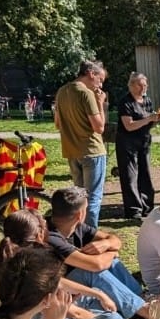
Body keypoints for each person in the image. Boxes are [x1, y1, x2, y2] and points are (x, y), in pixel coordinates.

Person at [0, 208, 125, 319]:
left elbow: (60, 283)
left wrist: (98, 295)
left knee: (91, 296)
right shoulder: (37, 269)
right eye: (45, 225)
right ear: (39, 235)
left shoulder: (14, 262)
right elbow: (74, 314)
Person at [46, 186, 160, 319]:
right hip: (57, 290)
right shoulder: (50, 237)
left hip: (73, 286)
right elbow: (96, 265)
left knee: (111, 263)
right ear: (80, 214)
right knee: (92, 272)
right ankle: (148, 312)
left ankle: (142, 301)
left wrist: (107, 244)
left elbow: (115, 240)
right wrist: (112, 251)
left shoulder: (75, 226)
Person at [54, 60, 107, 228]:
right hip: (92, 151)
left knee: (79, 198)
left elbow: (57, 124)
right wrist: (100, 103)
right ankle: (89, 235)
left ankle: (77, 232)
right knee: (93, 198)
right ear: (91, 73)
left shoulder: (62, 91)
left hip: (72, 151)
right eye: (100, 79)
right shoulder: (86, 93)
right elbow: (99, 127)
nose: (100, 85)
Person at [115, 72, 160, 220]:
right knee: (130, 176)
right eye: (140, 85)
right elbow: (129, 125)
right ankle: (133, 210)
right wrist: (148, 118)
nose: (143, 88)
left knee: (145, 174)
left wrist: (157, 119)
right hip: (127, 143)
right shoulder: (125, 102)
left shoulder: (147, 100)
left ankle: (147, 206)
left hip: (144, 142)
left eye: (145, 85)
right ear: (131, 85)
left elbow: (149, 123)